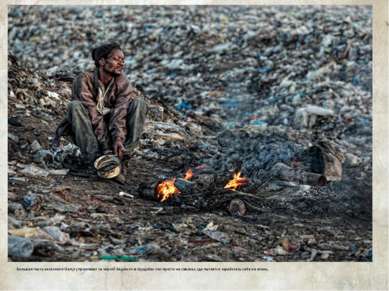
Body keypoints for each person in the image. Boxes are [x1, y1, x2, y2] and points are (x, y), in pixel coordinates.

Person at [53, 42, 147, 167]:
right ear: (102, 61)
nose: (121, 63)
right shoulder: (84, 80)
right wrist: (105, 146)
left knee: (138, 103)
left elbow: (120, 113)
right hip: (88, 130)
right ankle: (93, 157)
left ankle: (122, 155)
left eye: (122, 60)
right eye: (116, 59)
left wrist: (118, 139)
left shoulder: (122, 81)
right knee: (75, 106)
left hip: (110, 129)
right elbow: (93, 114)